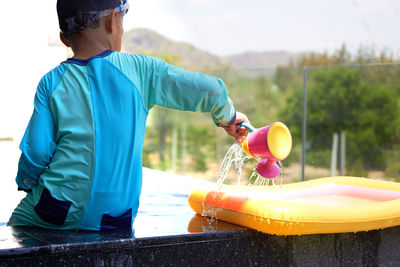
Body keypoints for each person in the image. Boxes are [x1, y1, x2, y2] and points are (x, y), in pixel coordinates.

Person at [8, 0, 249, 231]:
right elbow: (212, 90)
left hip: (53, 210)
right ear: (113, 21)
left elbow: (37, 152)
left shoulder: (50, 82)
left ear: (64, 38)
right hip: (114, 217)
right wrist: (227, 117)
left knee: (16, 231)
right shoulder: (141, 71)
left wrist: (26, 184)